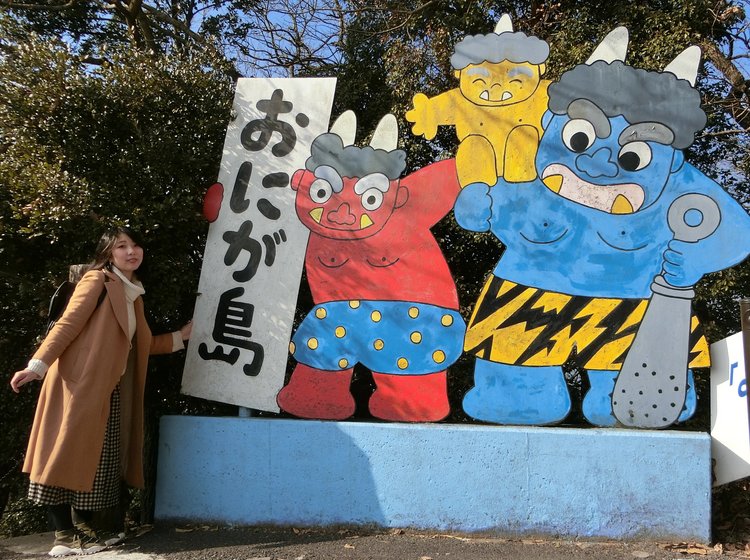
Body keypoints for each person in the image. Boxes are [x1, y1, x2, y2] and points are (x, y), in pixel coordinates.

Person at [10, 226, 192, 557]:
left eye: (136, 245)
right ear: (108, 253)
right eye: (122, 246)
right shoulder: (97, 281)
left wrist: (180, 337)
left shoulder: (132, 291)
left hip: (108, 389)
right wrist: (37, 366)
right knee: (62, 455)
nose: (131, 251)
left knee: (99, 462)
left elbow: (141, 345)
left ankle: (83, 529)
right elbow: (68, 324)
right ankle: (63, 536)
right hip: (77, 386)